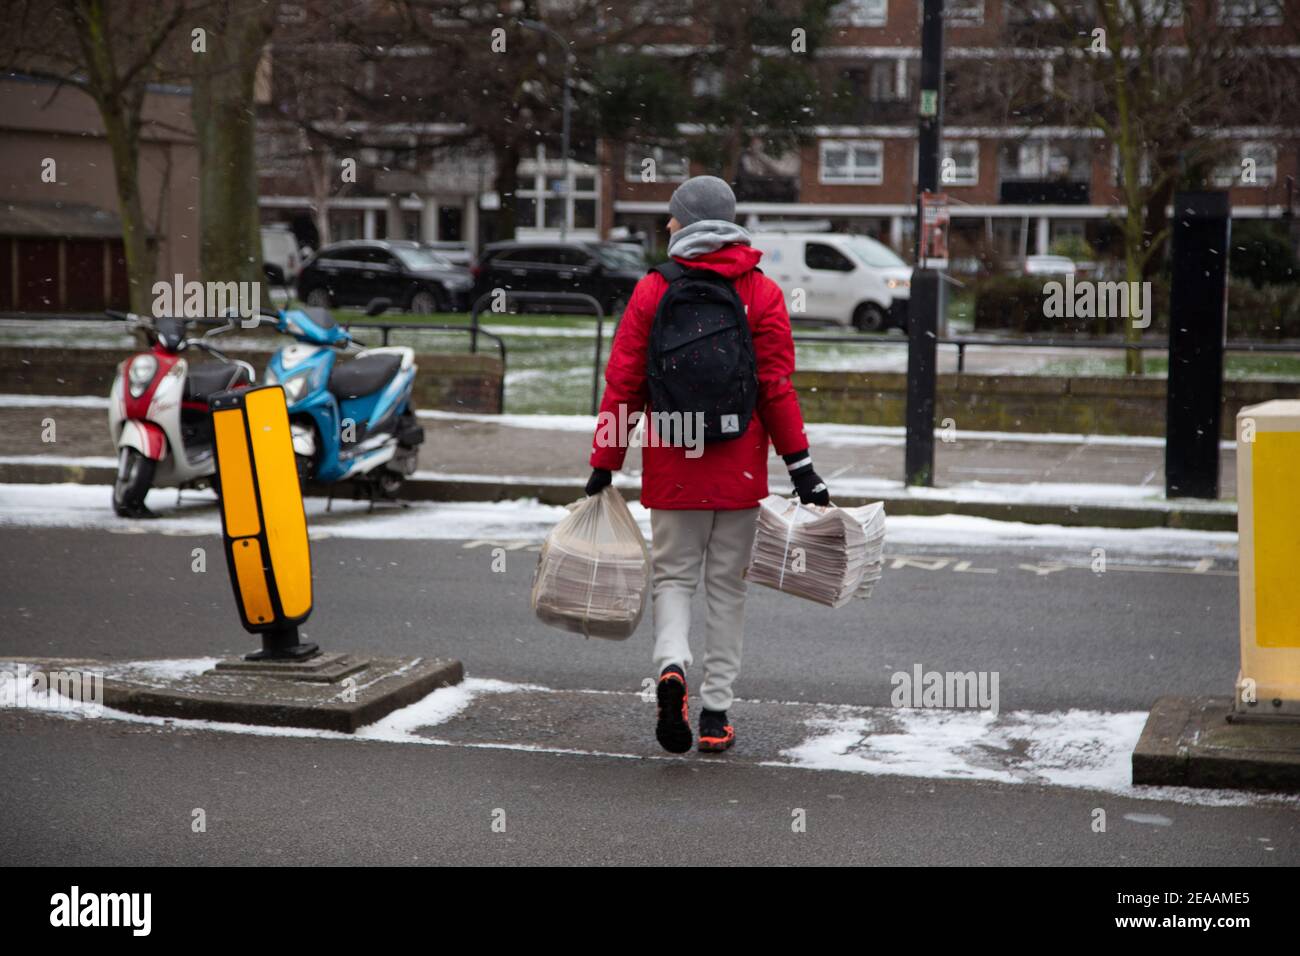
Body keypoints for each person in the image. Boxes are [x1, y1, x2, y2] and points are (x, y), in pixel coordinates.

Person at [585, 175, 830, 754]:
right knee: (727, 588)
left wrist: (605, 460)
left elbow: (624, 384)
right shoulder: (761, 291)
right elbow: (774, 386)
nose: (667, 225)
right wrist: (802, 468)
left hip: (674, 458)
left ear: (687, 221)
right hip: (738, 463)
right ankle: (716, 712)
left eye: (673, 217)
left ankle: (672, 669)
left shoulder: (652, 289)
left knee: (672, 578)